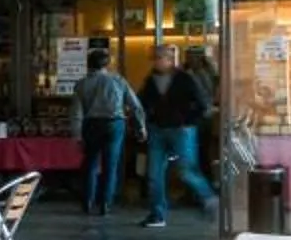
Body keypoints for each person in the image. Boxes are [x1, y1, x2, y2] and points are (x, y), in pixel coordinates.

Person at [140, 52, 216, 226]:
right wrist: (148, 118)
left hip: (181, 130)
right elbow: (143, 101)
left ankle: (209, 198)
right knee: (154, 174)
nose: (157, 62)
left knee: (185, 170)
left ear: (169, 60)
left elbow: (202, 103)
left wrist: (187, 121)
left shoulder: (185, 79)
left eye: (160, 58)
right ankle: (157, 214)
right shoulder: (150, 80)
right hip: (158, 129)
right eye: (156, 59)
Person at [71, 47, 141, 217]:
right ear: (107, 64)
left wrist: (77, 135)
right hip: (114, 124)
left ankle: (88, 202)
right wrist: (141, 126)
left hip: (91, 125)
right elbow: (135, 106)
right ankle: (105, 204)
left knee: (91, 164)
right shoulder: (118, 81)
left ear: (89, 64)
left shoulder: (81, 84)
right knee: (111, 165)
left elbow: (76, 113)